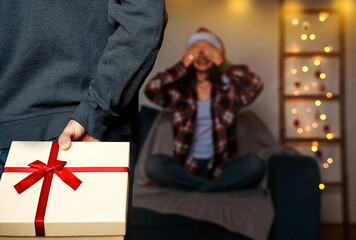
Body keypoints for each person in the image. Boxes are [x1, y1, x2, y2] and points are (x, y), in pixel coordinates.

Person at [0, 1, 168, 177]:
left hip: (76, 135)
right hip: (76, 129)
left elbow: (143, 22)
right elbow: (144, 19)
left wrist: (94, 115)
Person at [144, 27, 265, 192]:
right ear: (188, 56)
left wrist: (223, 63)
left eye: (208, 51)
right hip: (186, 166)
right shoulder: (180, 91)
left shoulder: (228, 91)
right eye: (196, 51)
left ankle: (200, 187)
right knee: (153, 165)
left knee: (255, 164)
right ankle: (210, 188)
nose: (202, 55)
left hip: (221, 167)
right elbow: (152, 89)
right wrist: (182, 64)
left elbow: (255, 84)